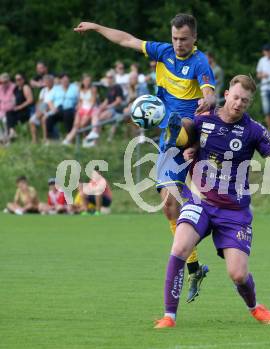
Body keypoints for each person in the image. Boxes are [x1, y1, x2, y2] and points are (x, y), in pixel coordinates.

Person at [153, 75, 270, 329]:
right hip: (200, 201)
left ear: (249, 102)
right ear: (226, 95)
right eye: (235, 98)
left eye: (244, 101)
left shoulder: (253, 130)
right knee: (179, 248)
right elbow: (182, 142)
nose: (238, 104)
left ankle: (255, 307)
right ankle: (169, 316)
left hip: (234, 211)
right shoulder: (202, 120)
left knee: (238, 274)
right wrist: (187, 150)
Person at [74, 13, 216, 301]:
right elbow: (126, 39)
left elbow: (209, 92)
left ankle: (200, 204)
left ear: (194, 39)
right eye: (175, 38)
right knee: (168, 206)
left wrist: (208, 100)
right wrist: (98, 25)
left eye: (184, 39)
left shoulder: (200, 62)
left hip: (194, 131)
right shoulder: (162, 51)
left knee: (182, 125)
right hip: (169, 139)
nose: (178, 44)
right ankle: (195, 268)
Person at [84, 70, 124, 143]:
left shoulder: (117, 87)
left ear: (114, 78)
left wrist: (107, 107)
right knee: (95, 113)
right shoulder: (110, 88)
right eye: (107, 77)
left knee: (98, 118)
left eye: (110, 77)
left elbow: (119, 101)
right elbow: (106, 100)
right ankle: (94, 138)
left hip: (116, 110)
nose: (109, 79)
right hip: (110, 110)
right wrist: (101, 107)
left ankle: (94, 138)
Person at [63, 74, 98, 145]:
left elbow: (93, 102)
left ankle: (72, 139)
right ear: (82, 81)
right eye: (85, 81)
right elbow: (80, 101)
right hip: (82, 108)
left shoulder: (93, 89)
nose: (87, 82)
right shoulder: (80, 89)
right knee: (76, 125)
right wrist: (78, 109)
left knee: (82, 124)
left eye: (89, 81)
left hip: (89, 109)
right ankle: (69, 140)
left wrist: (87, 112)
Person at [45, 73, 79, 140]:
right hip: (58, 109)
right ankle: (50, 138)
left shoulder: (74, 88)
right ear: (60, 81)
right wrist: (53, 108)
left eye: (66, 80)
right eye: (63, 80)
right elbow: (49, 100)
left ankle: (69, 136)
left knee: (67, 114)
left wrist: (77, 106)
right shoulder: (56, 89)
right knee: (48, 118)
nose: (65, 82)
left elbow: (79, 99)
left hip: (70, 108)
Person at [6, 73, 34, 140]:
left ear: (23, 80)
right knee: (8, 113)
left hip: (26, 110)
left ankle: (12, 134)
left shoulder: (25, 87)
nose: (17, 81)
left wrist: (19, 107)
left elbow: (30, 100)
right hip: (18, 110)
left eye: (19, 79)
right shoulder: (16, 89)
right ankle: (12, 132)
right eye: (16, 80)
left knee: (10, 115)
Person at [29, 74, 56, 144]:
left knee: (43, 117)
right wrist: (38, 108)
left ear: (52, 81)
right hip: (42, 109)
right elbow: (39, 101)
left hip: (51, 108)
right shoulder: (43, 90)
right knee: (31, 121)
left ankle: (45, 138)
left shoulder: (56, 90)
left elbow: (54, 102)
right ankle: (35, 140)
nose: (46, 83)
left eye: (48, 81)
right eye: (45, 81)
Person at [0, 73, 15, 143]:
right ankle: (1, 138)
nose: (3, 84)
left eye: (5, 82)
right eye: (1, 82)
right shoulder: (0, 88)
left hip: (11, 110)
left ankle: (7, 138)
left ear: (8, 81)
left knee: (5, 120)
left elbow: (14, 101)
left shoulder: (14, 87)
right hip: (1, 109)